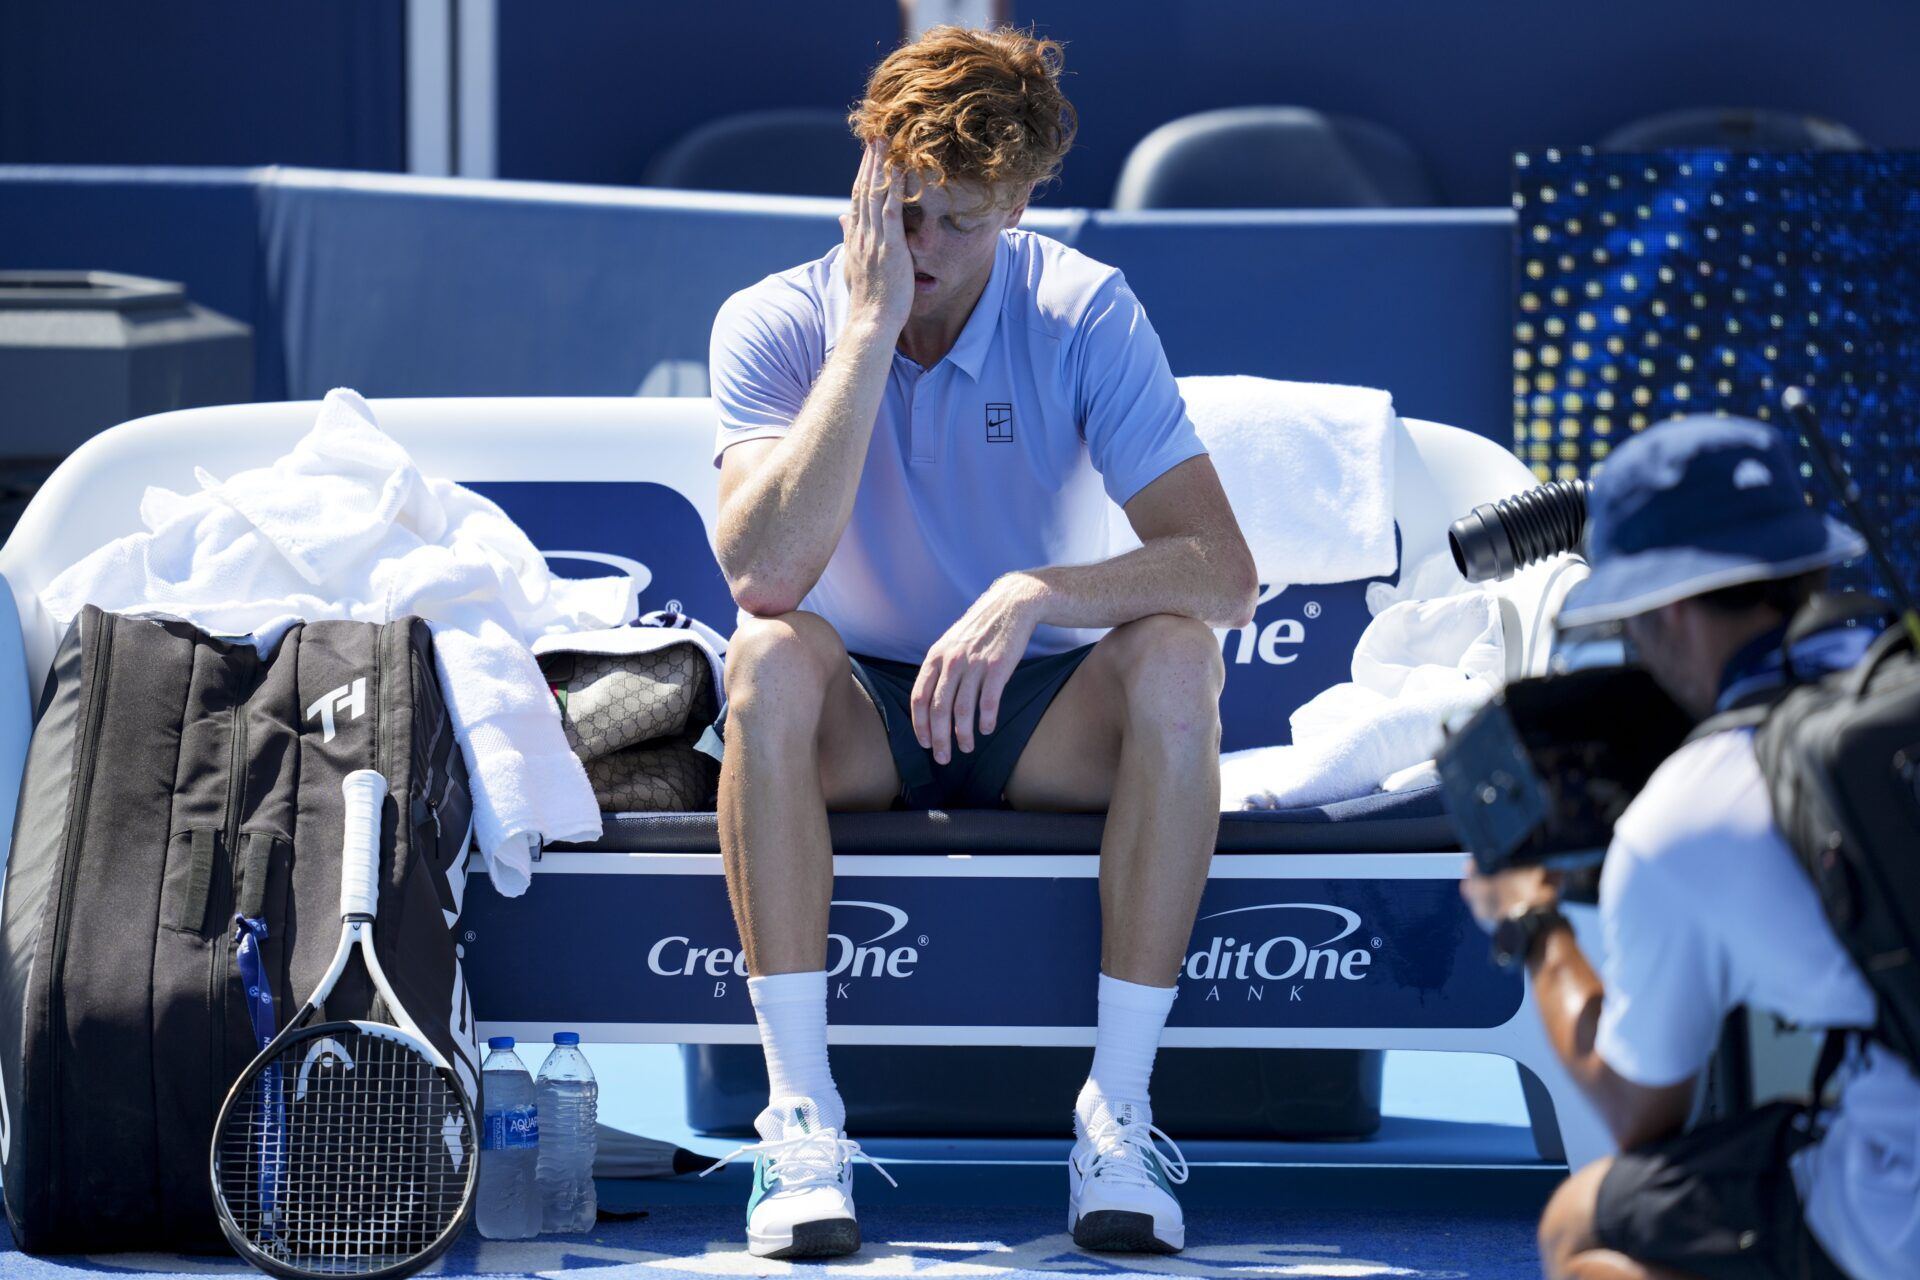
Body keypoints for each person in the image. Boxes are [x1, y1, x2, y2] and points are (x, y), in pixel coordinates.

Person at [703, 24, 1257, 1261]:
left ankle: (1119, 1115)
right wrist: (863, 333)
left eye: (958, 221)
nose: (922, 248)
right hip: (859, 711)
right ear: (866, 173)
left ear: (1017, 205)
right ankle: (801, 1120)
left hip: (1036, 702)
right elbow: (764, 572)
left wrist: (1031, 592)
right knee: (766, 657)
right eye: (901, 209)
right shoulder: (775, 319)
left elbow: (1221, 570)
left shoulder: (1084, 307)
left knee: (1179, 655)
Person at [1461, 416, 1920, 1280]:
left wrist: (1530, 922)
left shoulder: (1681, 816)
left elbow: (1639, 1112)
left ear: (1665, 609)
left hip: (1898, 1220)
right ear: (1810, 567)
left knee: (1580, 1226)